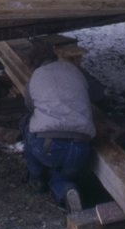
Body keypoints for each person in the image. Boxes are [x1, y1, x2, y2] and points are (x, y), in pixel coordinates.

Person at [20, 41, 95, 212]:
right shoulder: (74, 69)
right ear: (53, 56)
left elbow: (30, 107)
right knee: (62, 178)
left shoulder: (35, 77)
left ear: (33, 64)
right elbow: (97, 93)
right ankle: (66, 188)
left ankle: (37, 178)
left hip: (48, 146)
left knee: (25, 124)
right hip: (80, 146)